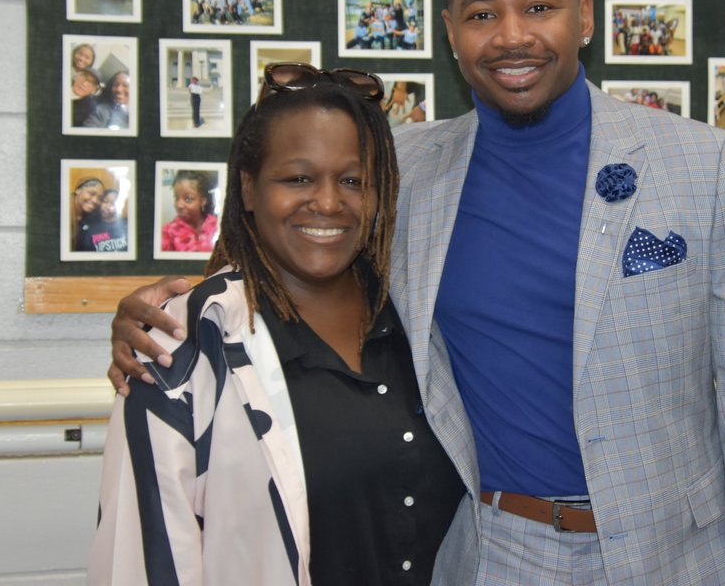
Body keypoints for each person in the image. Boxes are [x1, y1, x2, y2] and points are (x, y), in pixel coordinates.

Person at [109, 0, 725, 584]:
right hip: (496, 553)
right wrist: (176, 305)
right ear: (451, 33)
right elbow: (302, 239)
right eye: (482, 15)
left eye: (538, 8)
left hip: (677, 556)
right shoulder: (404, 169)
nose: (512, 36)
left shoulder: (708, 164)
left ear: (586, 16)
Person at [90, 65, 463, 583]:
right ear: (247, 187)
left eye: (353, 180)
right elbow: (139, 555)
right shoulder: (189, 343)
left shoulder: (423, 321)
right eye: (298, 178)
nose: (329, 202)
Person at [160, 170, 219, 253]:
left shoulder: (218, 226)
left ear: (203, 201)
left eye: (188, 199)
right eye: (176, 198)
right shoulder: (168, 232)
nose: (179, 205)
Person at [75, 188, 128, 253]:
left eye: (113, 203)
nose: (107, 207)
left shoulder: (127, 225)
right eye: (105, 201)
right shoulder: (90, 228)